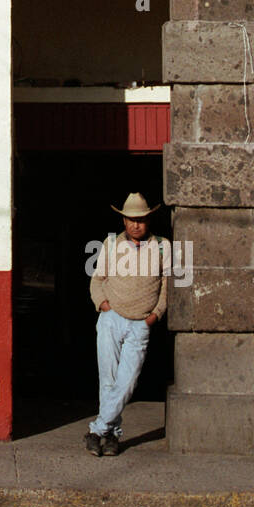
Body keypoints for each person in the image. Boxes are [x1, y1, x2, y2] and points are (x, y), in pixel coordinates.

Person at [85, 192, 170, 457]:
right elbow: (97, 280)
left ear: (149, 220)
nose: (136, 225)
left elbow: (168, 285)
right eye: (131, 219)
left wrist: (155, 314)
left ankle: (97, 430)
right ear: (123, 220)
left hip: (140, 323)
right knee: (108, 380)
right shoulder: (110, 244)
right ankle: (111, 437)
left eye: (141, 220)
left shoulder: (161, 246)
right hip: (112, 318)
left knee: (127, 382)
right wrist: (104, 305)